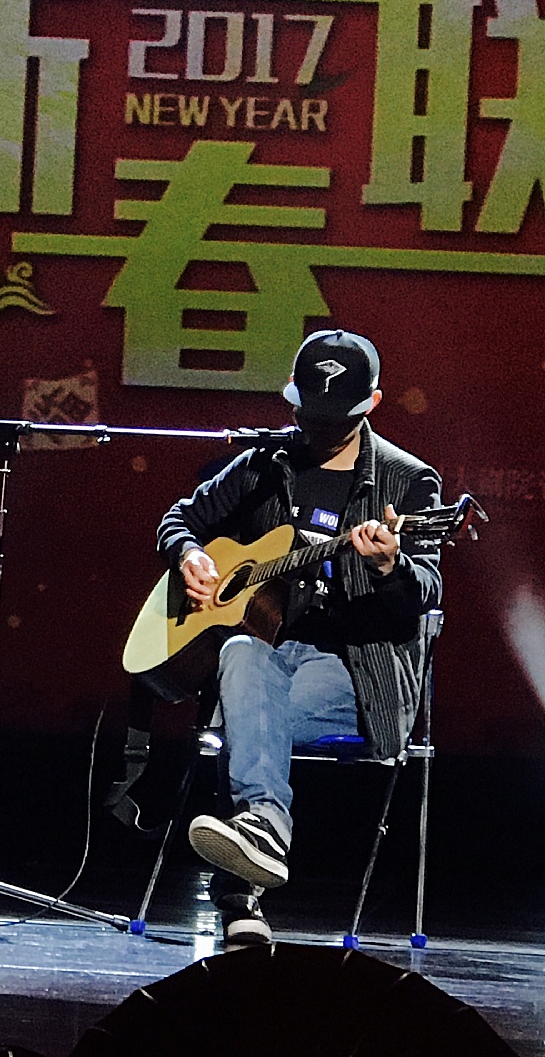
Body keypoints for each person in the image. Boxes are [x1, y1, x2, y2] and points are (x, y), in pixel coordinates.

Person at [156, 329, 441, 944]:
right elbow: (181, 517)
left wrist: (390, 566)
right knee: (240, 652)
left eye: (334, 418)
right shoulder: (265, 464)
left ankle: (243, 890)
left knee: (249, 717)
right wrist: (188, 554)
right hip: (269, 653)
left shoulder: (408, 482)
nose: (316, 428)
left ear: (372, 404)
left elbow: (425, 593)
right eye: (307, 413)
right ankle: (263, 831)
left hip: (356, 669)